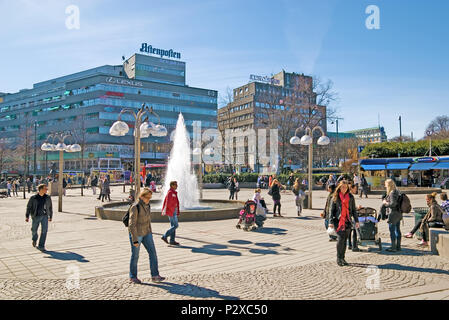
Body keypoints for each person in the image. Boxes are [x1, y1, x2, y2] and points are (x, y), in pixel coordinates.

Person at [128, 188, 165, 284]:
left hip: (147, 233)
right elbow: (131, 225)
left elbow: (148, 220)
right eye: (147, 197)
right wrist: (135, 240)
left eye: (150, 197)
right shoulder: (135, 207)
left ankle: (155, 275)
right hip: (137, 234)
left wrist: (150, 233)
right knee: (135, 255)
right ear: (141, 197)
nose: (149, 199)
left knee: (153, 253)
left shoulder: (148, 205)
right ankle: (133, 276)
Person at [328, 180, 359, 266]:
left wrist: (356, 221)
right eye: (342, 187)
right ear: (339, 187)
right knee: (340, 238)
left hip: (347, 221)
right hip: (338, 221)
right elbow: (331, 211)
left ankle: (343, 258)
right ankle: (338, 258)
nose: (344, 189)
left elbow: (353, 210)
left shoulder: (351, 197)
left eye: (345, 187)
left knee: (345, 240)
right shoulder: (335, 197)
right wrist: (330, 222)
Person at [25, 184, 53, 252]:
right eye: (45, 189)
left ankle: (41, 246)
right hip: (36, 216)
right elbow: (29, 207)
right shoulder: (33, 198)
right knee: (34, 230)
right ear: (40, 189)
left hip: (44, 216)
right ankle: (34, 239)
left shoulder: (47, 197)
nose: (46, 190)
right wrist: (27, 216)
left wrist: (50, 216)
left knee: (44, 231)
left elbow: (50, 207)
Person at [381, 179, 402, 252]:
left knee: (392, 231)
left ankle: (393, 247)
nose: (385, 186)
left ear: (389, 185)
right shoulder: (397, 191)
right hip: (399, 213)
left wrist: (385, 203)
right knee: (397, 230)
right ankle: (398, 246)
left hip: (393, 214)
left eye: (386, 184)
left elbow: (393, 204)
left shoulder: (392, 193)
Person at [161, 181, 181, 246]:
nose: (177, 186)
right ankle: (165, 236)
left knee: (173, 226)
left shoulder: (173, 192)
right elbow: (168, 203)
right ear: (172, 185)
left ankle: (172, 240)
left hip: (173, 211)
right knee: (176, 226)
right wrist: (173, 207)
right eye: (175, 185)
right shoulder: (170, 193)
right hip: (171, 212)